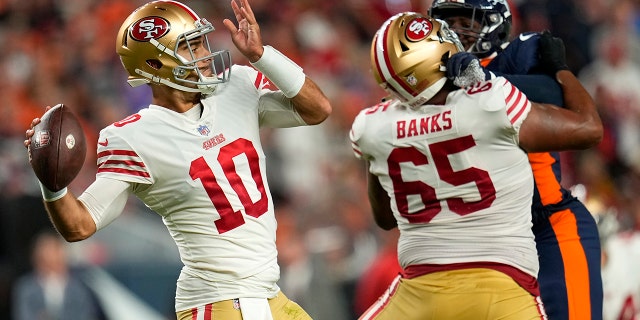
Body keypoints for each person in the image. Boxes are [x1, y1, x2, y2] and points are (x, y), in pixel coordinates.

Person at [23, 0, 332, 319]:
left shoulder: (236, 85)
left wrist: (262, 55)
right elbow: (80, 224)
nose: (205, 55)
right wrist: (52, 184)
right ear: (155, 65)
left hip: (269, 294)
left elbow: (317, 109)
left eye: (202, 42)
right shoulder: (134, 137)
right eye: (191, 47)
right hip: (219, 303)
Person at [350, 12, 602, 319]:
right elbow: (589, 128)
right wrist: (560, 69)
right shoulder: (489, 103)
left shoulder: (373, 127)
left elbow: (385, 218)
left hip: (419, 292)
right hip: (501, 285)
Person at [429, 1, 605, 319]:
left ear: (494, 22)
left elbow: (555, 93)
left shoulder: (518, 54)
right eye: (448, 21)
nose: (454, 29)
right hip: (484, 244)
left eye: (464, 20)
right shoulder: (431, 80)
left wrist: (480, 81)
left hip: (548, 227)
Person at [12, 231, 103, 320]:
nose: (54, 256)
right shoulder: (26, 288)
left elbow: (87, 314)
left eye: (56, 250)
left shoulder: (79, 287)